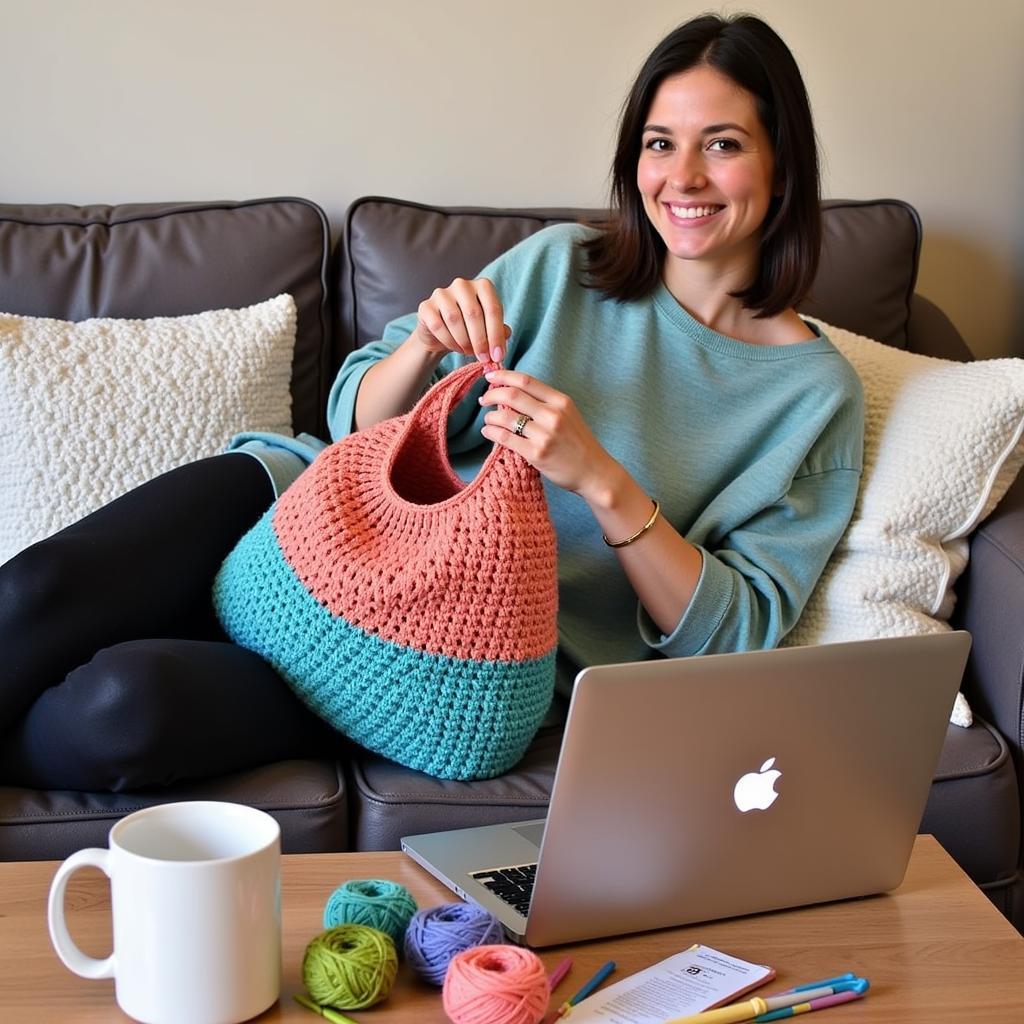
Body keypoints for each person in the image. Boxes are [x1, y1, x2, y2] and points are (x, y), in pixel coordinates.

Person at [0, 13, 862, 791]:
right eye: (658, 143)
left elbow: (735, 635)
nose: (682, 178)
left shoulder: (813, 395)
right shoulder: (562, 265)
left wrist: (604, 483)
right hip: (301, 515)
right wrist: (423, 347)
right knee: (35, 592)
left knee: (118, 709)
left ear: (782, 165)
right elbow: (355, 423)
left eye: (721, 144)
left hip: (439, 659)